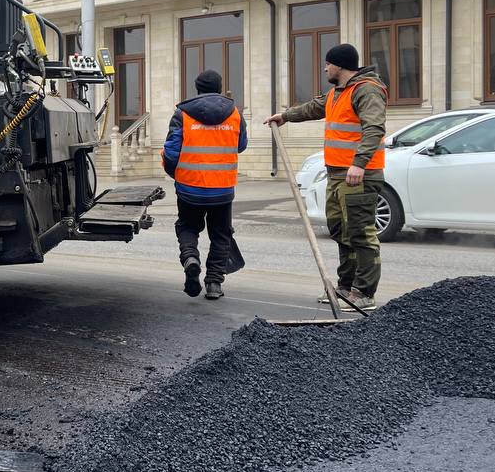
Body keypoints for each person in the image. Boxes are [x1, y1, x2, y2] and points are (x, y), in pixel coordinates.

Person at [264, 43, 387, 312]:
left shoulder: (367, 90)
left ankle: (365, 293)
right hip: (337, 173)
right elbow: (314, 107)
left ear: (340, 65)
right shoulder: (338, 93)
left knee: (361, 233)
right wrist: (285, 116)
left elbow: (374, 128)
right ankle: (345, 288)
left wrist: (359, 164)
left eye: (328, 64)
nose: (325, 68)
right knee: (341, 230)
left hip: (359, 175)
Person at [161, 69, 248, 301]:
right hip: (222, 188)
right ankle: (214, 284)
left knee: (188, 227)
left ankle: (191, 258)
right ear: (219, 88)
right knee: (221, 234)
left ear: (197, 88)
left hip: (190, 188)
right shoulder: (235, 114)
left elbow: (171, 152)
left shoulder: (183, 114)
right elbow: (241, 145)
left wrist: (177, 175)